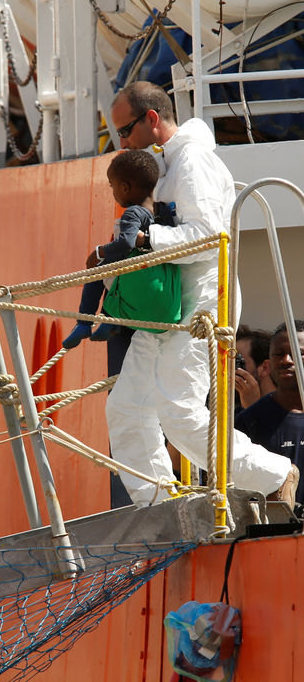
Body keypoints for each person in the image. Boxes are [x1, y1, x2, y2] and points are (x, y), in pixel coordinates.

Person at [104, 81, 298, 508]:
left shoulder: (192, 161)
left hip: (200, 304)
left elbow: (211, 236)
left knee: (180, 414)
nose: (120, 142)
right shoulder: (165, 164)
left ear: (152, 120)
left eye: (124, 130)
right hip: (167, 304)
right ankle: (159, 505)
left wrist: (142, 240)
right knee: (127, 408)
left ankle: (276, 473)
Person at [63, 150, 180, 349]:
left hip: (132, 272)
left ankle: (84, 322)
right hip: (158, 282)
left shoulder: (132, 212)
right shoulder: (164, 210)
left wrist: (99, 252)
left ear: (124, 188)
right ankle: (108, 319)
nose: (113, 191)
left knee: (97, 271)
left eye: (112, 186)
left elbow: (127, 242)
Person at [236, 321, 304, 506]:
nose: (287, 360)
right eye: (279, 354)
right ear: (269, 361)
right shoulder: (248, 422)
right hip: (277, 533)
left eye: (298, 353)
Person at [235, 324, 275, 412]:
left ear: (265, 368)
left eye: (237, 361)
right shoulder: (232, 417)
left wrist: (252, 408)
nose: (228, 370)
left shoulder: (293, 412)